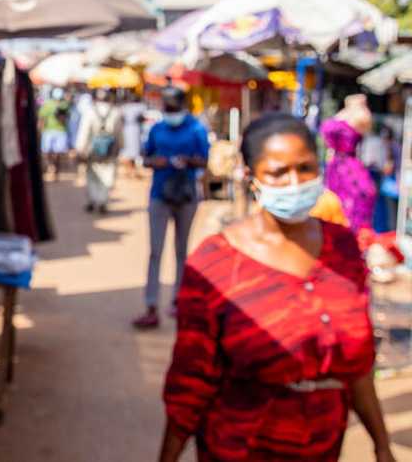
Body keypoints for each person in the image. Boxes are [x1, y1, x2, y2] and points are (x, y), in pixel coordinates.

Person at [158, 113, 394, 462]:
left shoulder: (342, 249)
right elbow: (191, 379)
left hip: (324, 448)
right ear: (251, 177)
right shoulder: (215, 263)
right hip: (239, 448)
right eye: (278, 172)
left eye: (305, 168)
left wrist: (382, 446)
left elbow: (357, 367)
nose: (294, 183)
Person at [133, 86, 209, 329]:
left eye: (172, 107)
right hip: (160, 195)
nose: (169, 111)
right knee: (155, 252)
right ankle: (151, 306)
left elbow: (205, 160)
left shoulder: (196, 129)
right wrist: (158, 162)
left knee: (181, 251)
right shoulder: (157, 129)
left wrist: (187, 161)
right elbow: (145, 158)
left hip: (186, 196)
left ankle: (178, 300)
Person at [320, 94, 377, 232]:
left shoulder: (355, 118)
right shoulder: (349, 117)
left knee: (347, 201)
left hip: (345, 166)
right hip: (340, 164)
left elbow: (327, 130)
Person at [76, 88, 121, 213]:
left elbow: (84, 132)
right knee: (108, 174)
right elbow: (119, 134)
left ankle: (94, 199)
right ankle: (102, 200)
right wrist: (120, 147)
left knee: (92, 175)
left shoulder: (89, 112)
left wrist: (80, 149)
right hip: (110, 150)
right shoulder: (116, 112)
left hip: (92, 150)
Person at [39, 87, 71, 177]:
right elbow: (42, 118)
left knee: (56, 152)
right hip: (50, 131)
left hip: (58, 131)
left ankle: (53, 167)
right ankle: (52, 166)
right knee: (49, 152)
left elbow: (42, 118)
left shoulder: (64, 104)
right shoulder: (49, 104)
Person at [119, 90, 146, 178]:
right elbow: (142, 119)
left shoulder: (125, 107)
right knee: (132, 151)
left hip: (128, 129)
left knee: (131, 151)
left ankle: (130, 171)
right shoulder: (139, 107)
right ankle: (131, 171)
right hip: (134, 129)